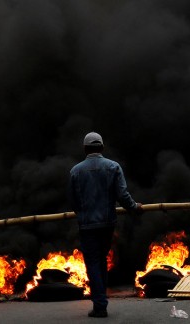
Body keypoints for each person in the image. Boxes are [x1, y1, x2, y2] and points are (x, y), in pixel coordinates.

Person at [68, 131, 142, 319]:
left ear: (85, 149)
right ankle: (101, 301)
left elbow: (74, 201)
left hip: (86, 226)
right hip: (107, 224)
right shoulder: (113, 167)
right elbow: (123, 195)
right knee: (101, 261)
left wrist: (83, 214)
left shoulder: (76, 171)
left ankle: (100, 305)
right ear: (101, 147)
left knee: (93, 263)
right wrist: (134, 208)